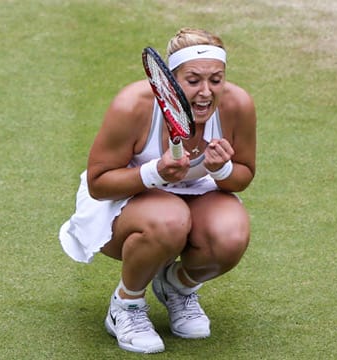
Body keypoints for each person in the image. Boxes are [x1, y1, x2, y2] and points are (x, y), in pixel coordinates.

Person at [58, 27, 256, 354]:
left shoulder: (238, 105)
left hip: (198, 199)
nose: (206, 92)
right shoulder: (133, 105)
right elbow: (98, 183)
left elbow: (243, 175)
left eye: (216, 80)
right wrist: (154, 173)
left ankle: (177, 285)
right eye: (193, 81)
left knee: (231, 234)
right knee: (170, 218)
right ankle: (127, 304)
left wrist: (220, 168)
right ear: (170, 79)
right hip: (125, 206)